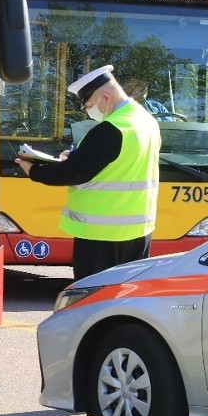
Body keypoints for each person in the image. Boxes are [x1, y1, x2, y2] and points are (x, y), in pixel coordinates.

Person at [14, 65, 161, 280]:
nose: (91, 112)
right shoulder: (146, 121)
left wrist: (34, 170)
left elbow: (74, 173)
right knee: (126, 300)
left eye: (90, 105)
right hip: (138, 233)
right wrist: (75, 158)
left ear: (105, 96)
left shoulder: (112, 129)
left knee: (93, 302)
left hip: (101, 237)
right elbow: (114, 164)